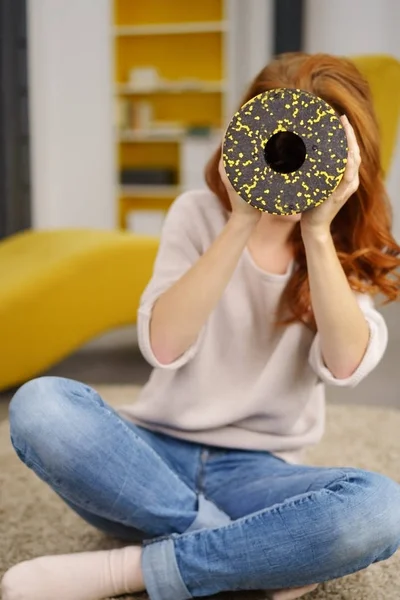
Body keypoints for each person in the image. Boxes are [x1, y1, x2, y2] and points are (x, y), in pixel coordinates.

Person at [3, 52, 400, 600]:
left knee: (379, 509)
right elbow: (164, 347)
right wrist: (240, 219)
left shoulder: (343, 247)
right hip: (149, 458)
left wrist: (315, 230)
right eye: (279, 147)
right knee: (41, 406)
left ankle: (125, 572)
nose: (291, 164)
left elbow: (345, 364)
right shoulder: (197, 214)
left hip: (258, 474)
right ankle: (252, 554)